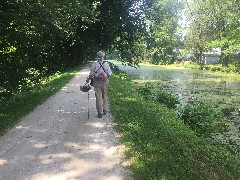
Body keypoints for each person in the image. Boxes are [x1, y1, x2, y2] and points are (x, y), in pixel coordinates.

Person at [86, 51, 112, 118]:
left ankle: (99, 112)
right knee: (105, 95)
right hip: (105, 81)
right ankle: (105, 110)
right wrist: (106, 79)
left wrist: (88, 79)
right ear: (103, 56)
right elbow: (109, 74)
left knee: (98, 97)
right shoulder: (106, 64)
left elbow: (91, 74)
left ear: (97, 56)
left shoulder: (94, 64)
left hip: (97, 81)